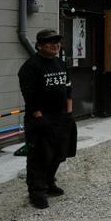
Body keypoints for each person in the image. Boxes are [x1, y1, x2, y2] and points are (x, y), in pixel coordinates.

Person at [18, 29, 75, 209]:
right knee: (39, 156)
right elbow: (30, 97)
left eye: (57, 42)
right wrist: (39, 119)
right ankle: (37, 192)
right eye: (50, 42)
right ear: (39, 45)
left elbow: (68, 90)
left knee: (58, 154)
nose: (55, 45)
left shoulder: (60, 63)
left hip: (61, 117)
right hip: (41, 118)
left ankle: (49, 184)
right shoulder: (30, 67)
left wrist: (68, 113)